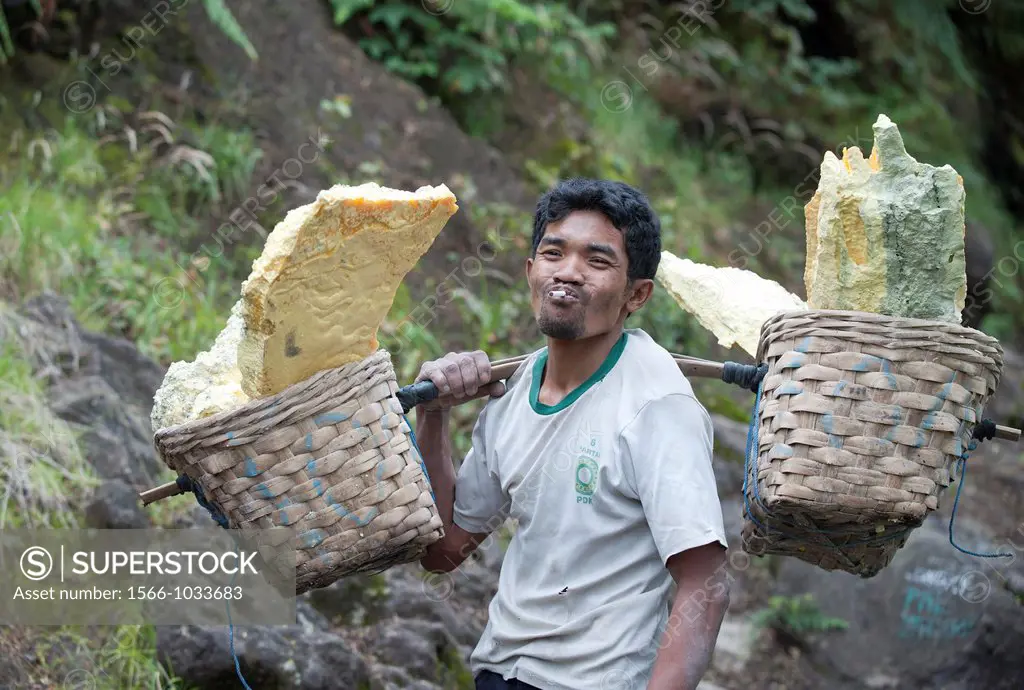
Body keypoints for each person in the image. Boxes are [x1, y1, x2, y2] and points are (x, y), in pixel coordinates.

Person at [415, 177, 730, 690]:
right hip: (500, 672)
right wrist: (434, 415)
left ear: (637, 294)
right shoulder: (512, 396)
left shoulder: (656, 404)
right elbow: (444, 550)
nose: (568, 272)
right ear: (530, 271)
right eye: (553, 252)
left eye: (597, 260)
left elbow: (705, 585)